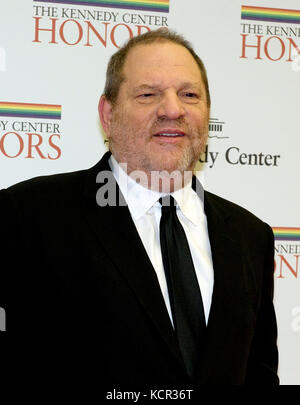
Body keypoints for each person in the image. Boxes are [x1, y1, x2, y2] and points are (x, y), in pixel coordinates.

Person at [0, 29, 279, 392]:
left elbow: (259, 374)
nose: (173, 110)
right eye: (148, 94)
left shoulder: (250, 236)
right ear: (108, 113)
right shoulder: (28, 216)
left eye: (189, 94)